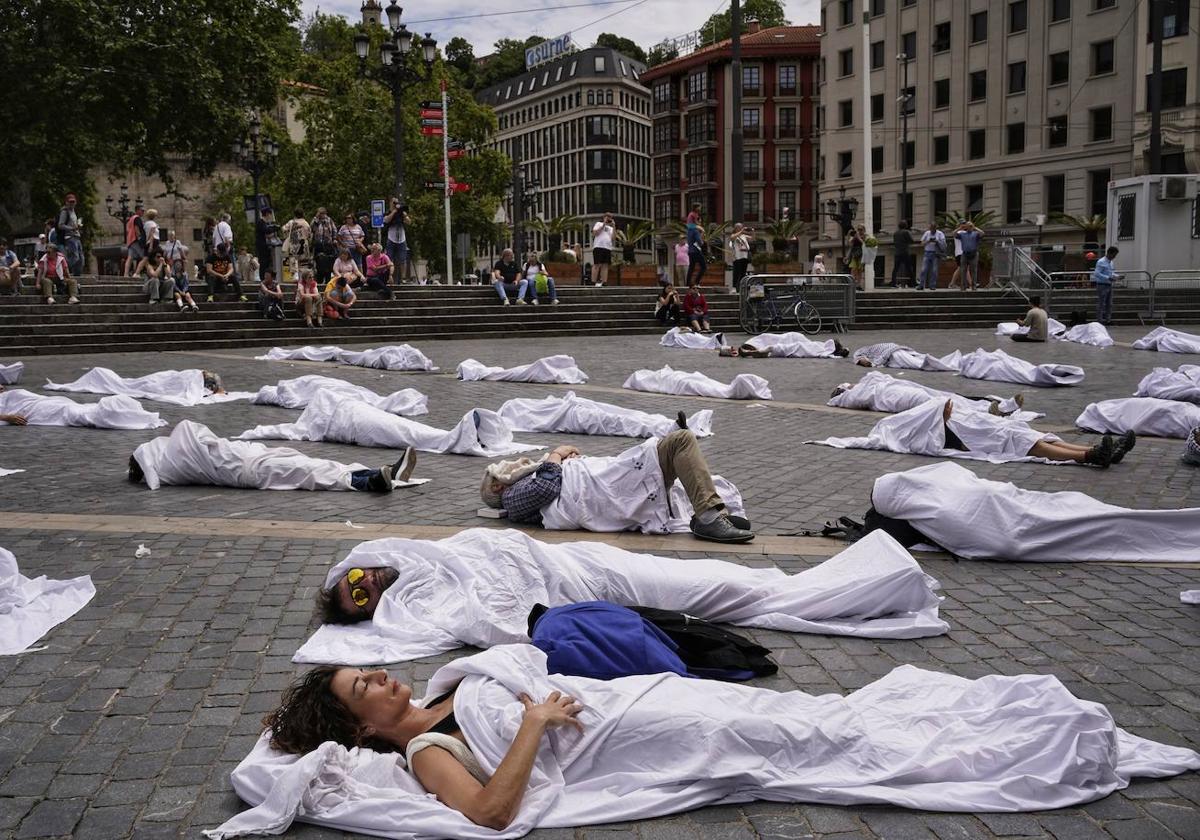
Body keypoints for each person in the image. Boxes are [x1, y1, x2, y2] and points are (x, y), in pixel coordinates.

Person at [481, 431, 754, 543]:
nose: (515, 463)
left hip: (604, 481)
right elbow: (545, 488)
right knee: (679, 442)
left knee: (677, 445)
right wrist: (557, 455)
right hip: (600, 492)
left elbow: (554, 482)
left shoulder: (523, 485)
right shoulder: (511, 497)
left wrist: (572, 463)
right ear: (497, 487)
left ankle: (710, 513)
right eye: (502, 470)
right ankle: (708, 516)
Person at [128, 420, 409, 493]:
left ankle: (378, 473)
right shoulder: (177, 462)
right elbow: (191, 432)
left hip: (250, 458)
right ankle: (368, 481)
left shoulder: (176, 462)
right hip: (248, 467)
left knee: (310, 465)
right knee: (307, 472)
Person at [56, 192, 84, 275]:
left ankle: (77, 274)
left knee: (81, 258)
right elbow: (60, 225)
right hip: (70, 237)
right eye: (70, 202)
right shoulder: (65, 212)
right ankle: (63, 270)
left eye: (73, 202)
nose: (72, 203)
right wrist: (72, 228)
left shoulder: (73, 212)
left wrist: (78, 227)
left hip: (77, 236)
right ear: (66, 202)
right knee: (74, 257)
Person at [383, 198, 411, 283]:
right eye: (394, 203)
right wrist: (394, 211)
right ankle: (389, 276)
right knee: (389, 258)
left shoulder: (401, 213)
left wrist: (404, 214)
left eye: (396, 203)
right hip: (391, 238)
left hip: (401, 238)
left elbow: (409, 222)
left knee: (403, 259)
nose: (395, 204)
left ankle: (403, 278)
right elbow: (386, 220)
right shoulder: (388, 212)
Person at [281, 208, 311, 280]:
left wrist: (288, 235)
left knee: (293, 260)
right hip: (304, 244)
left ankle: (295, 276)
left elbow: (284, 229)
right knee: (303, 263)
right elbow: (309, 234)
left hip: (293, 244)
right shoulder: (306, 223)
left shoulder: (291, 222)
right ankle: (303, 277)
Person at [1093, 246, 1118, 325]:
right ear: (1109, 253)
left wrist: (1117, 276)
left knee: (1109, 303)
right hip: (1102, 285)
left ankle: (1108, 320)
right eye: (1113, 255)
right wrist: (1108, 277)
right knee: (1102, 303)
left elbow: (1110, 273)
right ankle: (1100, 320)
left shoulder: (1111, 262)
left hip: (1109, 284)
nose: (1114, 257)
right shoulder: (1101, 262)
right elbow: (1097, 273)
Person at [955, 221, 983, 291]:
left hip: (973, 254)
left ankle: (973, 286)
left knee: (973, 270)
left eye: (971, 226)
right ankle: (963, 286)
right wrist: (960, 228)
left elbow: (982, 233)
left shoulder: (975, 234)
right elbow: (954, 234)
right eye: (968, 226)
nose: (969, 227)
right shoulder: (962, 234)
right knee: (963, 270)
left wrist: (975, 228)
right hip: (964, 254)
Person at [918, 222, 945, 291]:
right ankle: (921, 285)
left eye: (933, 229)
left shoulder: (940, 234)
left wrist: (937, 241)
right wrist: (928, 241)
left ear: (936, 228)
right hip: (927, 252)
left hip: (935, 253)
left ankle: (932, 285)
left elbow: (943, 243)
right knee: (924, 270)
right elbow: (921, 243)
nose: (932, 230)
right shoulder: (927, 233)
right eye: (931, 228)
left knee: (934, 270)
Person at [684, 203, 707, 285]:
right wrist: (702, 234)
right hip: (696, 250)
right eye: (699, 220)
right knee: (704, 266)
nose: (700, 222)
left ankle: (688, 283)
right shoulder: (695, 230)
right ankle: (696, 282)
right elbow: (700, 242)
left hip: (690, 251)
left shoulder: (689, 231)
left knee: (691, 267)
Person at [591, 212, 615, 286]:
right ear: (604, 217)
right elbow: (595, 233)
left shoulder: (611, 228)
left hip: (607, 247)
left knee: (605, 265)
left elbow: (613, 238)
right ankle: (593, 281)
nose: (609, 219)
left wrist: (614, 226)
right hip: (598, 246)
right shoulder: (598, 224)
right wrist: (604, 224)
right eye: (607, 217)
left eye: (610, 217)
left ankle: (604, 281)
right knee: (597, 264)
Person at [123, 205, 146, 277]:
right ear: (137, 210)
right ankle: (137, 273)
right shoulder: (137, 218)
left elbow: (128, 230)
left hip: (130, 241)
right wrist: (140, 238)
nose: (143, 212)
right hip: (135, 240)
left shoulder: (131, 219)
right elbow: (137, 229)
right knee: (144, 257)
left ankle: (126, 274)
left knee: (130, 258)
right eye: (142, 211)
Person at [255, 207, 279, 274]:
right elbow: (266, 231)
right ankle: (263, 276)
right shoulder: (261, 223)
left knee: (267, 261)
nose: (271, 216)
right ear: (267, 214)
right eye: (270, 214)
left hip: (266, 245)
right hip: (262, 245)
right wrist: (273, 229)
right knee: (263, 262)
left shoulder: (265, 223)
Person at [891, 220, 913, 287]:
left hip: (897, 252)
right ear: (905, 225)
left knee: (895, 269)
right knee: (909, 268)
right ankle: (912, 283)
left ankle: (893, 283)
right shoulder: (906, 232)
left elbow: (895, 242)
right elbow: (911, 240)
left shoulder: (895, 233)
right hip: (905, 252)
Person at [730, 223, 751, 290]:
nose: (740, 228)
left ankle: (741, 288)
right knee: (736, 273)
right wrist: (741, 231)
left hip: (744, 256)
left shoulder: (744, 236)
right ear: (736, 228)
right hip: (737, 257)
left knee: (743, 273)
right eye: (739, 227)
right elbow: (732, 238)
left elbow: (752, 238)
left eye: (741, 227)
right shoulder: (734, 235)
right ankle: (734, 287)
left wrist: (752, 231)